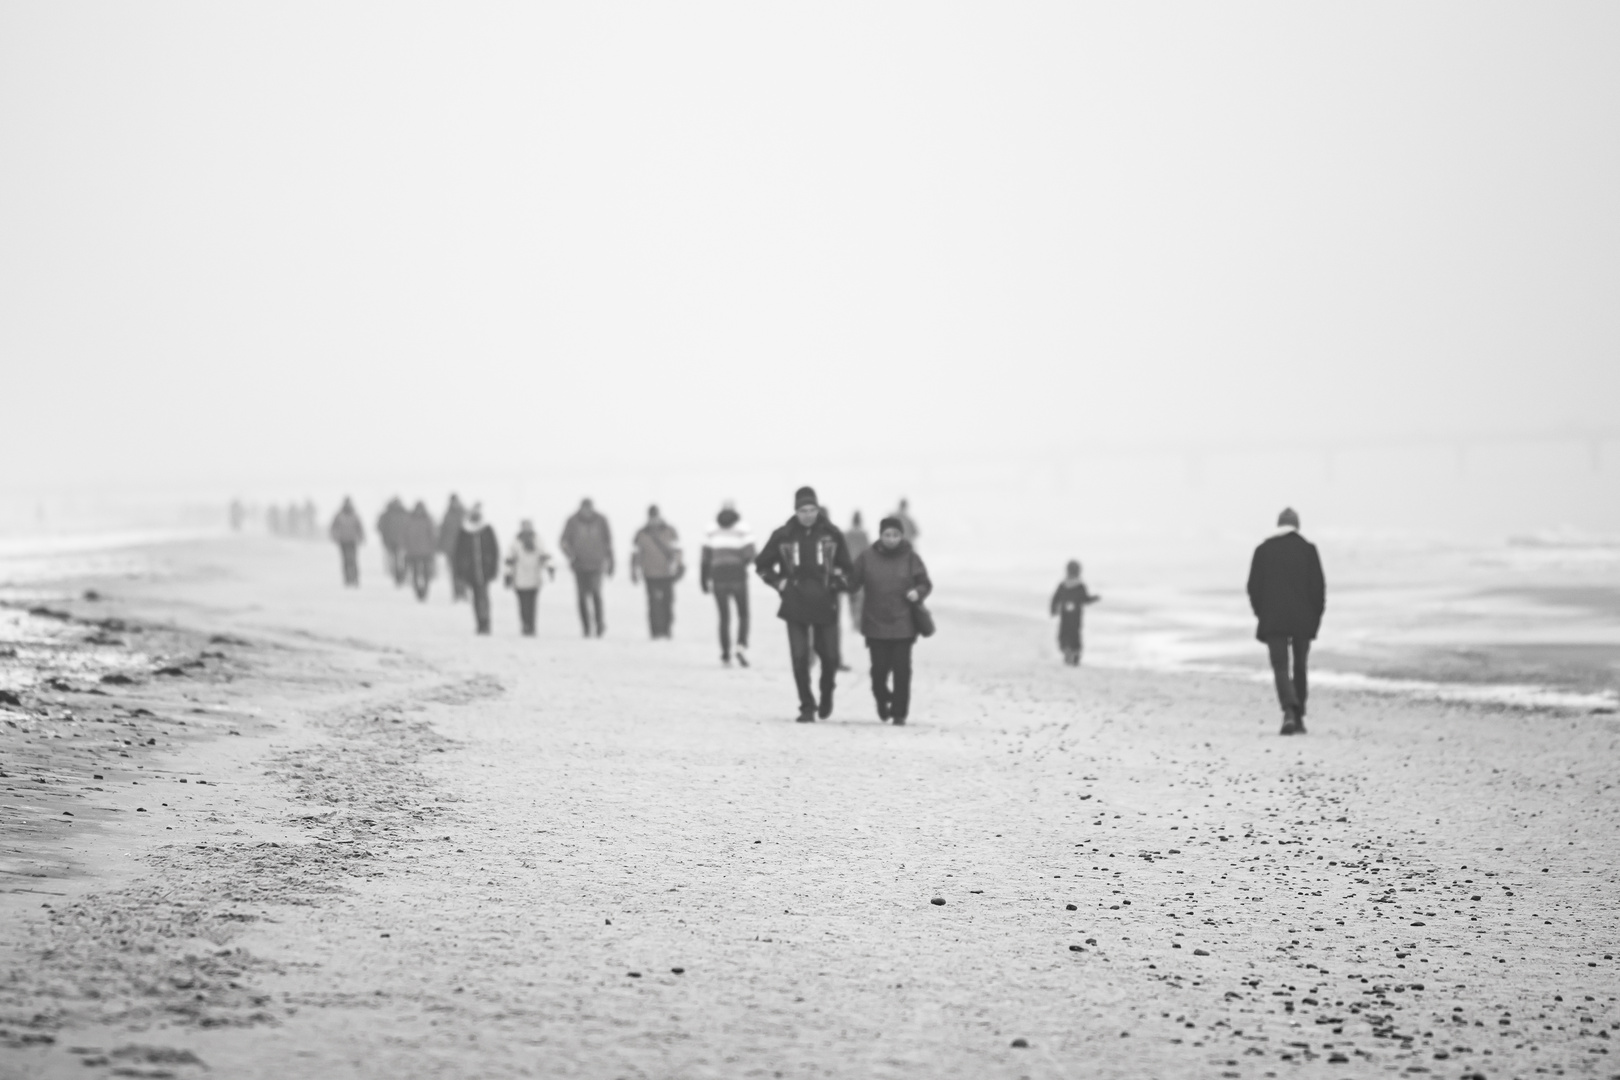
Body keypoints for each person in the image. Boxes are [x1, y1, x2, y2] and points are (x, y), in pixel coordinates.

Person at [754, 486, 853, 723]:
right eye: (803, 510)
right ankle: (806, 706)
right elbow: (761, 565)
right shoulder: (783, 535)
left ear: (818, 509)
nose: (808, 515)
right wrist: (779, 584)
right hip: (794, 602)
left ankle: (826, 691)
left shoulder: (832, 534)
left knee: (829, 657)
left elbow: (848, 568)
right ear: (795, 511)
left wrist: (836, 583)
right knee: (799, 657)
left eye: (812, 509)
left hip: (825, 602)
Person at [1247, 507, 1326, 735]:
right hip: (1303, 620)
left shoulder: (1263, 550)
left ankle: (1289, 710)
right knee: (1300, 666)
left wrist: (1261, 613)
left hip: (1273, 620)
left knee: (1280, 666)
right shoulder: (1308, 550)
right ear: (1297, 525)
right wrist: (1315, 618)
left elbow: (1253, 587)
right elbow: (1318, 589)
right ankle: (1298, 716)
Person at [847, 516, 932, 725]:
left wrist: (917, 592)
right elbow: (852, 583)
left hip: (904, 625)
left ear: (902, 536)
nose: (891, 539)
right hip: (875, 624)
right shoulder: (866, 557)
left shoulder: (911, 558)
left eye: (895, 535)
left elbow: (925, 583)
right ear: (880, 535)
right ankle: (883, 698)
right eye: (887, 535)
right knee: (878, 673)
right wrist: (835, 582)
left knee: (902, 671)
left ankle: (899, 712)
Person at [700, 502, 756, 666]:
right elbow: (750, 554)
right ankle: (740, 646)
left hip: (718, 576)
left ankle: (725, 654)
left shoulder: (710, 529)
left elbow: (705, 557)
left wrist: (704, 580)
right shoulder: (743, 528)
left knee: (724, 617)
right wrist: (742, 565)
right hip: (737, 574)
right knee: (743, 614)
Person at [560, 499, 614, 637]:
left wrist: (611, 561)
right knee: (582, 598)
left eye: (589, 508)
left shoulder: (601, 520)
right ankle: (586, 627)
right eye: (585, 508)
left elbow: (608, 541)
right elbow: (564, 541)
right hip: (579, 565)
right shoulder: (572, 521)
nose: (587, 511)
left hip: (597, 564)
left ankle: (599, 624)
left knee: (596, 594)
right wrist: (571, 556)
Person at [630, 506, 682, 638]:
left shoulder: (670, 531)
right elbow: (636, 554)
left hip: (667, 573)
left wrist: (679, 566)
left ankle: (667, 630)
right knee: (653, 604)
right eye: (652, 516)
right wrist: (634, 570)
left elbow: (677, 550)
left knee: (667, 603)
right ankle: (655, 632)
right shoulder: (641, 533)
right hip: (650, 574)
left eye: (655, 516)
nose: (653, 519)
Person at [453, 503, 501, 635]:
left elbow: (494, 550)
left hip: (485, 571)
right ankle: (480, 623)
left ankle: (486, 622)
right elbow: (458, 552)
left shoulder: (487, 530)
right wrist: (460, 571)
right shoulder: (464, 531)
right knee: (476, 597)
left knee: (483, 596)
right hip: (471, 571)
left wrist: (493, 568)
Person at [504, 519, 554, 636]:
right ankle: (525, 625)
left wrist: (549, 568)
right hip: (520, 578)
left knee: (532, 604)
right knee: (523, 604)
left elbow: (544, 557)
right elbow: (510, 560)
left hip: (534, 578)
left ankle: (531, 626)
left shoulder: (538, 541)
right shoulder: (515, 542)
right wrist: (508, 574)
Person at [1050, 560, 1101, 666]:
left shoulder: (1063, 585)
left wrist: (1053, 609)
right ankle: (1075, 653)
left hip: (1065, 616)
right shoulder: (1080, 586)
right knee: (1075, 635)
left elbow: (1055, 598)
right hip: (1076, 616)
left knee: (1064, 634)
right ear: (1078, 571)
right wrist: (1094, 598)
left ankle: (1067, 651)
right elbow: (1085, 599)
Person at [402, 501, 438, 601]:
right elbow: (405, 535)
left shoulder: (428, 520)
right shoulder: (409, 520)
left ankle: (425, 591)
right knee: (415, 573)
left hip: (426, 552)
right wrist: (406, 547)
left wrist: (433, 548)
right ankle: (418, 591)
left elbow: (433, 535)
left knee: (426, 573)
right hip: (413, 552)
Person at [844, 511, 871, 631]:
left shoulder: (847, 534)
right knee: (860, 597)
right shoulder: (863, 534)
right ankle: (857, 622)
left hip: (849, 569)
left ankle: (854, 621)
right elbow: (868, 551)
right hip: (861, 568)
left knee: (851, 597)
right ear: (860, 520)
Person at [328, 497, 365, 587]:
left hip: (350, 540)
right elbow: (334, 527)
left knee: (351, 560)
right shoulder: (346, 515)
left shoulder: (351, 515)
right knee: (347, 560)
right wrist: (335, 536)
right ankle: (349, 579)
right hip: (345, 540)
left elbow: (359, 527)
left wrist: (361, 536)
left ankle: (354, 579)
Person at [438, 494, 468, 601]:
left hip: (464, 548)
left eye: (455, 501)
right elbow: (442, 530)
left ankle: (463, 592)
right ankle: (456, 593)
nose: (454, 503)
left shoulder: (464, 513)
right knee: (454, 571)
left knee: (464, 571)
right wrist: (440, 546)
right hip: (451, 548)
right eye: (452, 501)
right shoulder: (447, 515)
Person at [377, 497, 409, 585]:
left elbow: (379, 526)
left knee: (397, 560)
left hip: (395, 541)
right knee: (398, 560)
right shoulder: (404, 513)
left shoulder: (387, 514)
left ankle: (399, 576)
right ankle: (399, 576)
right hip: (396, 541)